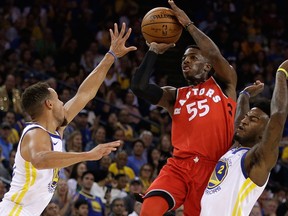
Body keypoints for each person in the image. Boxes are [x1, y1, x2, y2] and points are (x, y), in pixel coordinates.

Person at [0, 23, 137, 216]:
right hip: (15, 211)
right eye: (58, 99)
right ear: (48, 104)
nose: (62, 102)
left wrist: (111, 56)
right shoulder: (34, 133)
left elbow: (85, 94)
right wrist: (87, 155)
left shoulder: (56, 127)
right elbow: (41, 159)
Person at [130, 0, 237, 215]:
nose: (185, 62)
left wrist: (188, 25)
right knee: (149, 209)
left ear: (208, 65)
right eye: (184, 58)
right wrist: (152, 51)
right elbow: (139, 87)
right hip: (179, 165)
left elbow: (215, 55)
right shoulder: (175, 95)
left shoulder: (224, 84)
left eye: (193, 57)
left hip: (213, 168)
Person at [200, 60, 288, 215]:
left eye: (253, 120)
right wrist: (244, 95)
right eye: (247, 117)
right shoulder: (236, 149)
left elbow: (278, 115)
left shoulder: (257, 158)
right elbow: (238, 120)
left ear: (265, 132)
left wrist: (281, 73)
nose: (245, 121)